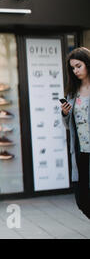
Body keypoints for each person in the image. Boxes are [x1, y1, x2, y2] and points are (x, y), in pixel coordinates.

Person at [62, 47, 90, 219]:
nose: (75, 71)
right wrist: (65, 113)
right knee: (82, 199)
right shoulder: (73, 92)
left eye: (78, 66)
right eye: (72, 68)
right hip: (80, 152)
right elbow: (68, 125)